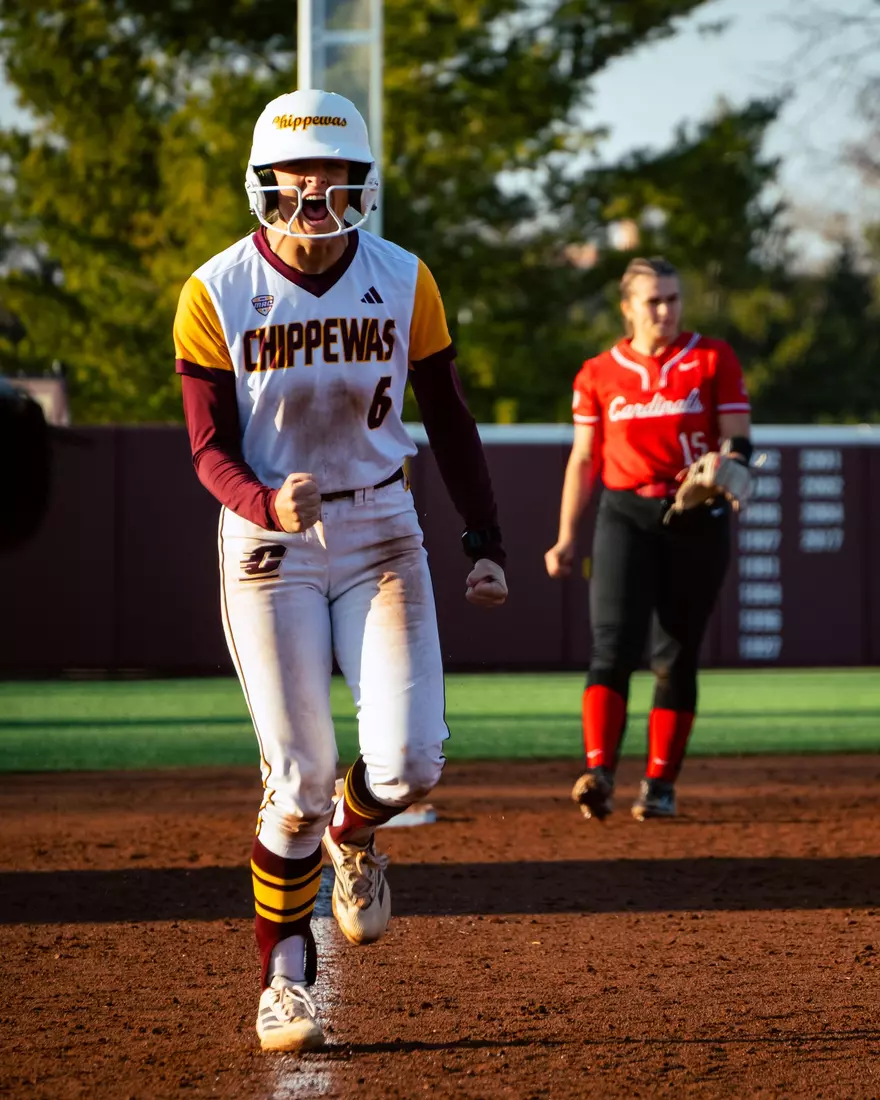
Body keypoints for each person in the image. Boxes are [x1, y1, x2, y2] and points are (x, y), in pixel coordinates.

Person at [173, 89, 508, 1053]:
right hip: (269, 542)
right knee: (300, 778)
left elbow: (448, 414)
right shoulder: (217, 289)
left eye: (335, 173)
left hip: (383, 527)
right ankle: (283, 981)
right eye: (298, 174)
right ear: (265, 182)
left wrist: (484, 538)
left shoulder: (404, 277)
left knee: (410, 765)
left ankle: (353, 839)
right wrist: (263, 502)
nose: (316, 190)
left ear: (361, 182)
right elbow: (207, 448)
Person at [545, 256, 752, 824]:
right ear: (628, 308)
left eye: (672, 299)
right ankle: (598, 773)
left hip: (695, 515)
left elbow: (738, 440)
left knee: (675, 654)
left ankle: (659, 785)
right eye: (653, 300)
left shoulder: (712, 358)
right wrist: (566, 537)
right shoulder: (598, 372)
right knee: (611, 647)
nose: (665, 310)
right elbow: (584, 458)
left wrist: (728, 466)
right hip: (625, 512)